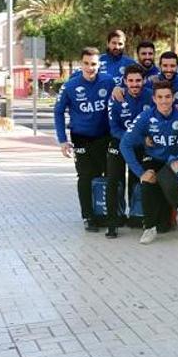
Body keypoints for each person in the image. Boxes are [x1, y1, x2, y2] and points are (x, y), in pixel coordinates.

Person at [120, 80, 178, 245]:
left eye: (168, 97)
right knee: (147, 183)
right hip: (154, 160)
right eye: (160, 97)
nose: (164, 101)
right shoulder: (145, 117)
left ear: (173, 98)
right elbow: (124, 144)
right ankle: (149, 228)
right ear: (154, 99)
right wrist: (140, 173)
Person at [54, 47, 115, 232]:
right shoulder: (70, 86)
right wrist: (63, 140)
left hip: (104, 137)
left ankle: (106, 213)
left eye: (94, 64)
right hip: (81, 138)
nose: (90, 68)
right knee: (86, 176)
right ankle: (88, 216)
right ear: (81, 64)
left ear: (99, 65)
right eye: (87, 64)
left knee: (106, 175)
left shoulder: (108, 82)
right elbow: (58, 111)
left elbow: (119, 103)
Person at [105, 64, 152, 238]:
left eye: (138, 80)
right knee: (114, 181)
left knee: (136, 180)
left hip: (141, 146)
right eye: (130, 81)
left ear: (144, 81)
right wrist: (130, 139)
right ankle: (113, 221)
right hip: (119, 143)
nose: (134, 84)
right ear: (124, 81)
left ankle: (136, 216)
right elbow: (113, 127)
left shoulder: (150, 96)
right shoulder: (116, 97)